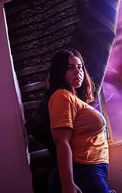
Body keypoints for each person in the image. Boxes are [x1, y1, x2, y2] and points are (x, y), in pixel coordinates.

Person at [47, 49, 110, 193]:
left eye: (80, 67)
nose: (77, 71)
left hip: (93, 171)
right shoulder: (62, 96)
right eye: (70, 68)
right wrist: (68, 185)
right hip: (82, 171)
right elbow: (61, 142)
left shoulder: (74, 98)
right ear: (60, 71)